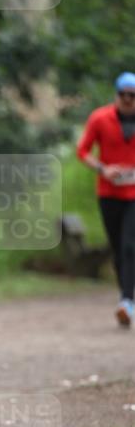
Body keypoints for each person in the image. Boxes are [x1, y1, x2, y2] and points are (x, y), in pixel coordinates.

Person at [77, 71, 135, 327]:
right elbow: (82, 151)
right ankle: (127, 299)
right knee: (118, 248)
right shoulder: (100, 118)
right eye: (122, 94)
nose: (127, 100)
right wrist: (103, 169)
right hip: (109, 193)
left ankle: (126, 300)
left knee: (129, 245)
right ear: (116, 95)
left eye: (132, 96)